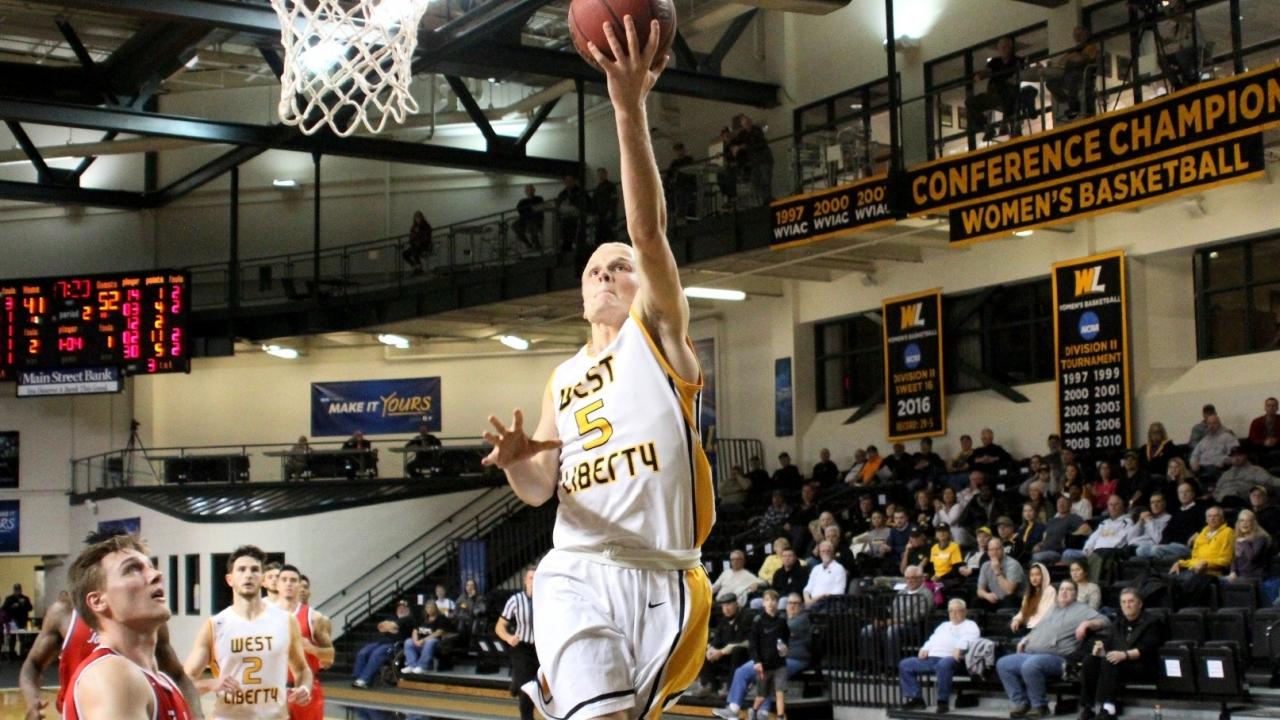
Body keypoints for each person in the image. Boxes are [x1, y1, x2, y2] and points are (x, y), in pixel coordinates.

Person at [480, 20, 714, 719]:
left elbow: (648, 230)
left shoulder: (658, 336)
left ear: (645, 284)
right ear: (581, 295)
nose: (606, 273)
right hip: (574, 566)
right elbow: (539, 490)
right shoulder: (561, 377)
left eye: (620, 267)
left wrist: (628, 106)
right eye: (594, 269)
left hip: (661, 576)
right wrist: (517, 463)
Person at [22, 530, 202, 720]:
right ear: (97, 600)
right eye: (131, 569)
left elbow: (177, 673)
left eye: (150, 566)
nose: (157, 574)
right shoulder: (111, 673)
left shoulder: (161, 679)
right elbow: (32, 664)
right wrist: (32, 700)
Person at [183, 545, 313, 718]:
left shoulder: (286, 621)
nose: (248, 575)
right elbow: (184, 682)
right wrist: (210, 683)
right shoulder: (215, 625)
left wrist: (304, 687)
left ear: (263, 579)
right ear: (230, 579)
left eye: (255, 570)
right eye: (241, 570)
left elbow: (303, 670)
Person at [996, 580, 1110, 720]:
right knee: (1003, 664)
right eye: (1062, 589)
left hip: (1059, 658)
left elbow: (1105, 621)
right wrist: (1025, 639)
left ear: (1076, 594)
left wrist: (1088, 623)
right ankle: (1021, 703)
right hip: (1032, 653)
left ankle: (1040, 706)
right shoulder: (1049, 609)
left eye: (1069, 589)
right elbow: (1037, 629)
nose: (1064, 592)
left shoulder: (1082, 610)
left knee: (1031, 665)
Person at [1078, 588, 1164, 720]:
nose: (1127, 605)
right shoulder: (1118, 622)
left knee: (1110, 661)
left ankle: (1108, 708)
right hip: (1118, 663)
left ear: (1139, 604)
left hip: (1142, 664)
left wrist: (1125, 655)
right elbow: (1109, 645)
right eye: (1123, 602)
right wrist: (1100, 651)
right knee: (1090, 660)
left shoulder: (1152, 622)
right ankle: (1088, 707)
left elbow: (1147, 648)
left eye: (1130, 601)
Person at [899, 598, 981, 715]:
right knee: (905, 664)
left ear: (964, 612)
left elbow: (970, 639)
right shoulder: (943, 625)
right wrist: (925, 648)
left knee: (944, 664)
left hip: (955, 660)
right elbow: (932, 639)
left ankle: (942, 702)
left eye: (957, 610)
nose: (953, 614)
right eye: (951, 611)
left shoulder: (970, 625)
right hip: (932, 659)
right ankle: (916, 699)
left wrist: (960, 647)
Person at [275, 565, 334, 720]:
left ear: (299, 585)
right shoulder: (266, 616)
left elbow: (330, 657)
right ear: (277, 585)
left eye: (293, 580)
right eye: (284, 580)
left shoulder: (315, 618)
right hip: (274, 689)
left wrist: (312, 649)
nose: (288, 583)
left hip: (305, 688)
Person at [967, 36, 1037, 141]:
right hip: (994, 94)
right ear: (998, 49)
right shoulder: (994, 61)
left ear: (1011, 48)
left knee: (1010, 94)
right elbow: (987, 71)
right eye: (1003, 47)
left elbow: (1027, 71)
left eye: (1008, 47)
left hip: (1009, 93)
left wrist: (1024, 74)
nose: (1005, 50)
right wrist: (980, 75)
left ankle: (1008, 125)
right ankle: (987, 127)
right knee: (970, 102)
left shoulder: (1018, 60)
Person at [1168, 506, 1234, 608]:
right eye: (1209, 516)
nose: (1212, 518)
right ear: (1206, 519)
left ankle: (1185, 609)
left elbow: (1226, 560)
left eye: (1216, 516)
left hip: (1212, 572)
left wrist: (1206, 563)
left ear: (1222, 518)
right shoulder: (1202, 534)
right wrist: (1180, 563)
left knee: (1188, 582)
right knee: (1170, 580)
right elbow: (1194, 558)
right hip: (1195, 570)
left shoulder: (1228, 533)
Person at [496, 566, 537, 720]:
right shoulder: (516, 600)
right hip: (522, 648)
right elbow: (499, 627)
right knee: (526, 689)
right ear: (525, 581)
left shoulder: (547, 600)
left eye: (537, 578)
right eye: (531, 578)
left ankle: (516, 681)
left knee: (543, 687)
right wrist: (508, 638)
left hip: (541, 649)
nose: (534, 581)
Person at [1064, 494, 1134, 583]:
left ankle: (1090, 583)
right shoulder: (1104, 523)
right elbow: (1092, 538)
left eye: (1116, 504)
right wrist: (1087, 549)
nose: (1113, 507)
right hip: (1093, 551)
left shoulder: (1127, 522)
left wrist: (1097, 550)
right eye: (1110, 505)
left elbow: (1120, 541)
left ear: (1122, 506)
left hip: (1109, 553)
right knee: (1068, 553)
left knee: (1096, 557)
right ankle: (1074, 583)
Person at [746, 590, 789, 720]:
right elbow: (753, 644)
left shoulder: (782, 620)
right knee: (762, 695)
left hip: (779, 663)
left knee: (780, 692)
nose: (770, 603)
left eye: (773, 600)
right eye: (767, 600)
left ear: (778, 602)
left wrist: (785, 648)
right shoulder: (758, 621)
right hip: (764, 664)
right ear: (763, 603)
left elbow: (786, 638)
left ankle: (780, 717)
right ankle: (754, 711)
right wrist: (756, 661)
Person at [698, 593, 753, 697]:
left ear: (736, 604)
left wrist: (721, 652)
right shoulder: (724, 620)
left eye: (728, 605)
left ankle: (730, 687)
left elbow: (741, 642)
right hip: (725, 654)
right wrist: (711, 649)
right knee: (704, 651)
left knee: (737, 651)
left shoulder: (746, 617)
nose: (726, 609)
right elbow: (717, 638)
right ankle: (710, 685)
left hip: (744, 654)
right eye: (723, 606)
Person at [350, 600, 413, 688]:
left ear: (408, 609)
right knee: (363, 652)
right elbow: (380, 627)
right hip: (382, 642)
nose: (401, 610)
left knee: (377, 653)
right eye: (399, 608)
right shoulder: (392, 617)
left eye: (403, 608)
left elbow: (392, 627)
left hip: (397, 645)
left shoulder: (409, 619)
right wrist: (391, 627)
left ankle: (365, 680)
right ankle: (358, 677)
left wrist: (390, 627)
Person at [1136, 481, 1204, 562]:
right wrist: (1163, 544)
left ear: (1193, 494)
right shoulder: (1176, 512)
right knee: (1140, 550)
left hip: (1184, 546)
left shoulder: (1201, 508)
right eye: (1181, 492)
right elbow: (1167, 532)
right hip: (1170, 545)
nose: (1184, 494)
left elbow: (1206, 526)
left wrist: (1198, 534)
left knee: (1156, 549)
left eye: (1187, 491)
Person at [1042, 25, 1099, 120]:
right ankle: (1069, 100)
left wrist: (1072, 57)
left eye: (1080, 34)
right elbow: (1061, 62)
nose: (1077, 37)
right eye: (1075, 35)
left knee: (1072, 77)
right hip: (1069, 76)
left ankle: (1074, 107)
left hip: (1083, 77)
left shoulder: (1091, 47)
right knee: (1051, 83)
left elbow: (1081, 58)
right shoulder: (1075, 49)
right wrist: (1073, 56)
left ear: (1086, 35)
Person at [1156, 0, 1203, 91]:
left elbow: (1185, 36)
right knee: (1163, 60)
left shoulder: (1187, 22)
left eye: (1181, 7)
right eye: (1177, 8)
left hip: (1181, 53)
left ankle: (1189, 80)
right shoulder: (1163, 23)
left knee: (1181, 55)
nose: (1180, 10)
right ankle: (1177, 85)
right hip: (1170, 53)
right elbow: (1168, 37)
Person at [1213, 446, 1280, 507]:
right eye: (1233, 456)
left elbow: (1270, 481)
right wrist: (1217, 498)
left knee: (1230, 499)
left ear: (1246, 456)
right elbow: (1217, 491)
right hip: (1221, 502)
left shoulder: (1255, 470)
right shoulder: (1226, 474)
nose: (1236, 458)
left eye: (1239, 455)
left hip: (1242, 500)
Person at [1032, 494, 1089, 565]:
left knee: (1036, 557)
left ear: (1070, 505)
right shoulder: (1052, 520)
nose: (1061, 504)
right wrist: (1039, 545)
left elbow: (1087, 529)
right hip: (1044, 550)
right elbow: (1045, 539)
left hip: (1058, 552)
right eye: (1059, 502)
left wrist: (1069, 537)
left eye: (1064, 502)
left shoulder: (1073, 517)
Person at [402, 600, 454, 676]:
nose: (429, 609)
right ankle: (412, 665)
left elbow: (438, 633)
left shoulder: (441, 618)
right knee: (408, 641)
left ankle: (422, 666)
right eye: (427, 607)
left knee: (430, 641)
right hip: (420, 642)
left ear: (435, 608)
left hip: (436, 644)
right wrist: (415, 641)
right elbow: (415, 630)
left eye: (431, 607)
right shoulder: (422, 618)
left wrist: (423, 640)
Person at [731, 115, 773, 203]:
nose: (746, 125)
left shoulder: (756, 130)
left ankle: (767, 200)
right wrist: (732, 147)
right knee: (755, 182)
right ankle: (764, 200)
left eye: (747, 123)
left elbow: (754, 143)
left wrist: (739, 147)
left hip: (764, 159)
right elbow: (735, 141)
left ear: (750, 122)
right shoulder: (743, 133)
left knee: (765, 180)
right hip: (755, 162)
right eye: (744, 124)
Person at [976, 538, 1025, 610]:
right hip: (995, 599)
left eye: (997, 549)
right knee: (977, 601)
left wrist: (997, 571)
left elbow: (1009, 591)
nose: (994, 552)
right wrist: (986, 595)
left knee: (1009, 599)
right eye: (991, 550)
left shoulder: (1013, 564)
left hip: (1015, 600)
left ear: (1003, 550)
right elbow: (979, 590)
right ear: (988, 552)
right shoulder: (985, 566)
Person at [1224, 509, 1270, 583]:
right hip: (1239, 575)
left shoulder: (1260, 538)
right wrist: (1233, 572)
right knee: (1216, 582)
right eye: (1242, 521)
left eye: (1248, 521)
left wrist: (1244, 542)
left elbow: (1252, 558)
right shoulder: (1238, 537)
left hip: (1254, 576)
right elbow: (1234, 559)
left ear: (1253, 523)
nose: (1244, 524)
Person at [1190, 413, 1238, 481]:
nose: (1211, 426)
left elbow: (1236, 455)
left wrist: (1224, 460)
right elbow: (1194, 455)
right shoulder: (1204, 440)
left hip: (1218, 468)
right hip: (1201, 469)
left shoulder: (1227, 437)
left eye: (1214, 423)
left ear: (1219, 424)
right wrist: (1194, 463)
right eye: (1209, 424)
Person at [1011, 563, 1056, 633]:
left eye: (1037, 575)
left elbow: (1047, 612)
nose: (1034, 578)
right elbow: (1023, 611)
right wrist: (1017, 620)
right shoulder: (1028, 592)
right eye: (1031, 575)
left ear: (1044, 576)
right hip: (1028, 625)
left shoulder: (1050, 590)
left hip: (1041, 627)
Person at [803, 540, 847, 609]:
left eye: (828, 551)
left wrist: (818, 598)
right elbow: (808, 588)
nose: (825, 553)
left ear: (832, 553)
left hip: (829, 604)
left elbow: (839, 591)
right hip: (812, 603)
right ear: (820, 553)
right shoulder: (816, 568)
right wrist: (807, 600)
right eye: (823, 551)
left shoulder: (839, 568)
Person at [554, 174, 589, 256]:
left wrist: (574, 206)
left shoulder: (580, 192)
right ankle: (566, 249)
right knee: (564, 231)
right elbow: (558, 206)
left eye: (570, 181)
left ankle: (576, 249)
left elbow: (586, 204)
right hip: (565, 217)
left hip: (577, 217)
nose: (568, 183)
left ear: (574, 181)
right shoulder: (562, 193)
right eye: (567, 181)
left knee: (576, 232)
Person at [665, 143, 697, 220]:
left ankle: (689, 217)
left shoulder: (689, 160)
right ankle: (677, 215)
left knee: (686, 199)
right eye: (677, 151)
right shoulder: (674, 163)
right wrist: (670, 182)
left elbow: (693, 172)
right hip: (678, 187)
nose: (678, 153)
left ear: (683, 150)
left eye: (679, 150)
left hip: (688, 185)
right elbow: (668, 175)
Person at [514, 184, 546, 251]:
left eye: (531, 190)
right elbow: (520, 210)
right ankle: (528, 243)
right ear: (525, 192)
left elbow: (539, 208)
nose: (530, 191)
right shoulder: (522, 201)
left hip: (537, 220)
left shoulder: (539, 198)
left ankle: (537, 246)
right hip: (525, 220)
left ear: (534, 190)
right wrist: (531, 209)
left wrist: (529, 210)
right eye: (528, 190)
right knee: (514, 226)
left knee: (532, 226)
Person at [592, 167, 618, 244]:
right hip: (599, 215)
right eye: (599, 174)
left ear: (606, 174)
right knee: (599, 235)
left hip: (608, 215)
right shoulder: (597, 189)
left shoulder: (611, 186)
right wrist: (595, 213)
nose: (600, 176)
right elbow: (594, 202)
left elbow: (614, 199)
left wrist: (610, 211)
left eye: (602, 174)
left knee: (609, 235)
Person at [402, 211, 432, 275]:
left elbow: (427, 237)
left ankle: (419, 268)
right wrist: (413, 238)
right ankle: (415, 266)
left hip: (424, 246)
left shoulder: (426, 226)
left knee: (415, 251)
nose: (417, 219)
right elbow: (410, 238)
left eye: (419, 218)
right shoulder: (414, 227)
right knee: (405, 254)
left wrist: (419, 233)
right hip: (415, 245)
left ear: (422, 218)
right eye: (416, 218)